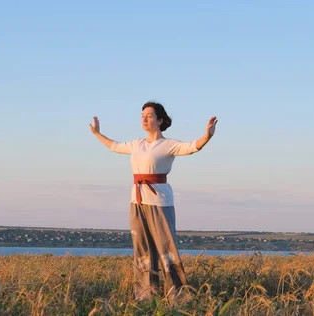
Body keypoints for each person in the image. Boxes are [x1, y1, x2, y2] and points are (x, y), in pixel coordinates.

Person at [89, 101, 218, 301]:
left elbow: (192, 147)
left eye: (149, 115)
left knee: (167, 249)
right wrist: (97, 134)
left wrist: (207, 136)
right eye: (142, 115)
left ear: (159, 120)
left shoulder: (168, 144)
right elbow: (114, 146)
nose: (144, 119)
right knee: (142, 250)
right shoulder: (137, 144)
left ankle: (178, 298)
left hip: (160, 201)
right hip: (137, 201)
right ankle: (145, 297)